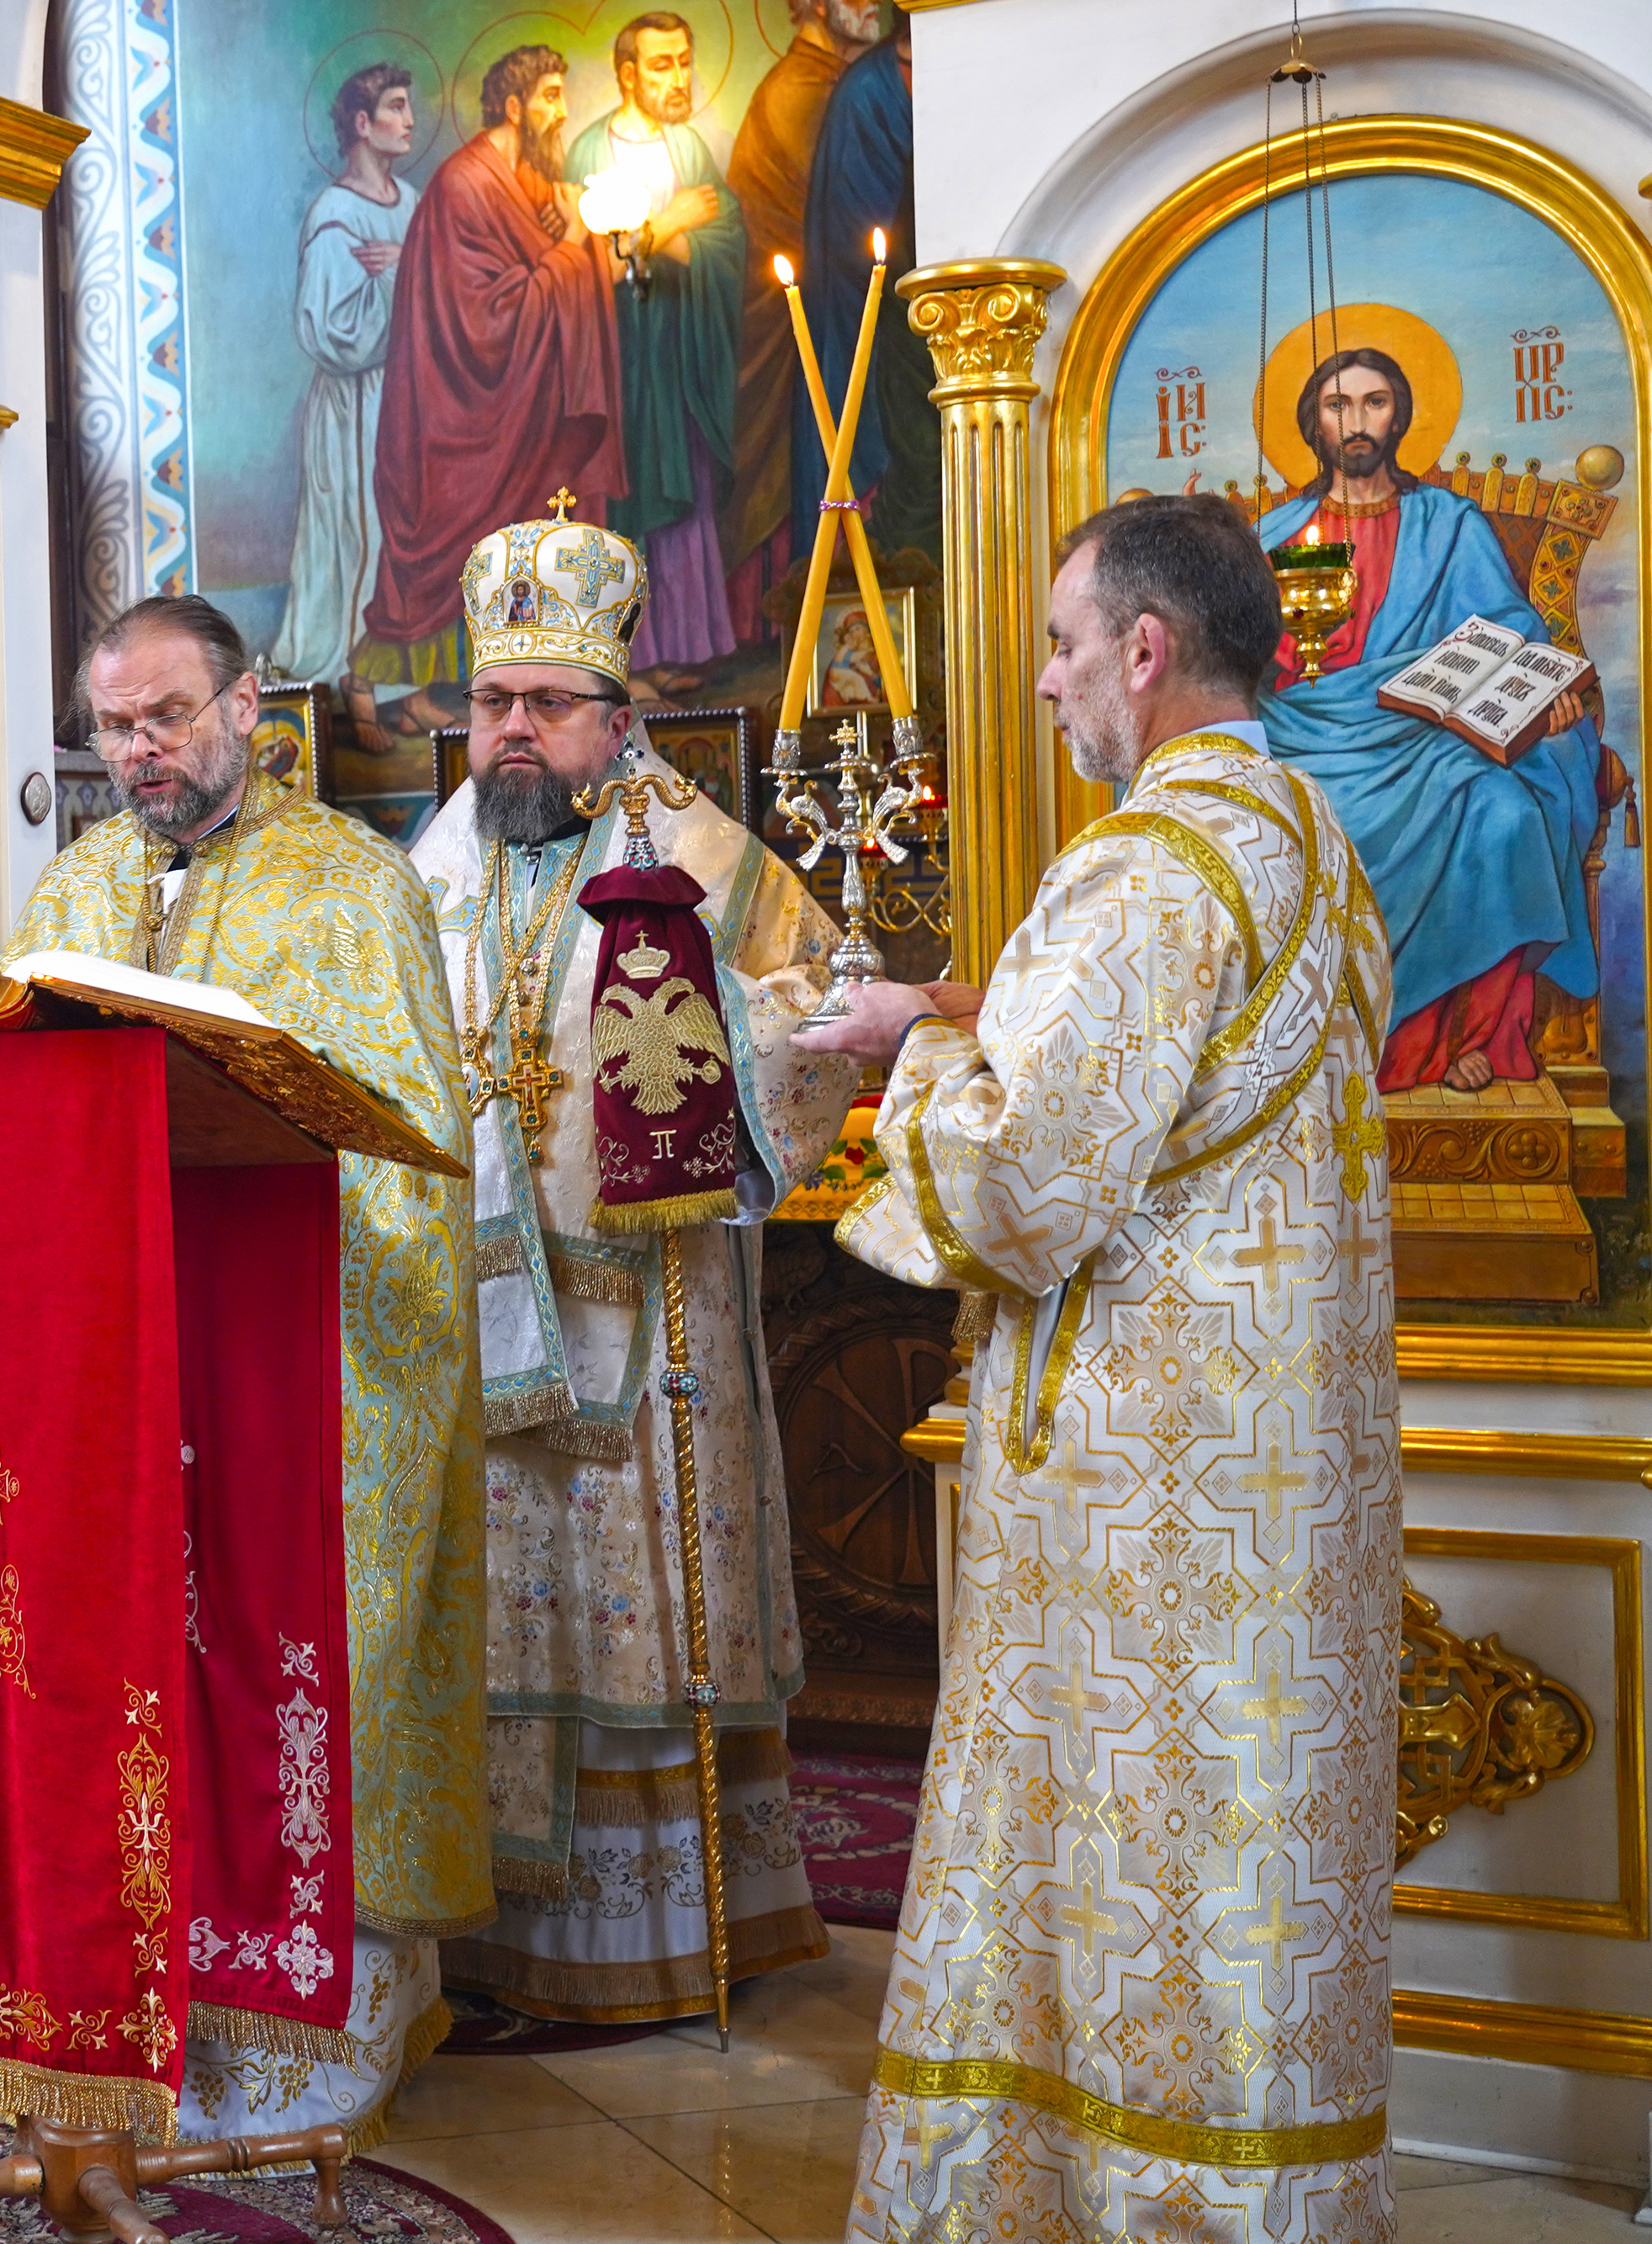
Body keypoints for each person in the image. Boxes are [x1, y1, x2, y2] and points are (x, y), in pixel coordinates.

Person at [801, 493, 1398, 2234]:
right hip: (1274, 1487)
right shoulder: (1307, 839)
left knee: (1122, 1877)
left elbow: (1022, 1186)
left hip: (1141, 1514)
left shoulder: (1142, 864)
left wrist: (899, 1080)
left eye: (1062, 648)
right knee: (1247, 1890)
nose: (1052, 686)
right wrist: (948, 1016)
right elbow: (1175, 1109)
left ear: (1142, 652)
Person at [3, 594, 484, 2144]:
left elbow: (417, 1157)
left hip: (300, 1376)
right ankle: (135, 2003)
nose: (138, 751)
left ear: (248, 707)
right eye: (113, 726)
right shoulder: (70, 885)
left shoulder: (352, 890)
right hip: (126, 1377)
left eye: (165, 719)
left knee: (292, 1681)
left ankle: (312, 2029)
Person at [411, 512, 857, 2021]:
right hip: (472, 1332)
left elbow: (827, 1018)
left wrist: (719, 1049)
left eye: (547, 704)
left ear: (620, 717)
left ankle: (642, 1945)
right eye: (492, 703)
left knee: (634, 1622)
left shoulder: (705, 856)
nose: (514, 732)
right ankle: (474, 1937)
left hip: (641, 1326)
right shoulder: (436, 863)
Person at [1256, 345, 1613, 1093]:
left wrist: (1541, 698)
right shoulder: (1275, 537)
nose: (1357, 421)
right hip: (1305, 734)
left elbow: (1511, 631)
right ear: (1313, 423)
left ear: (1401, 416)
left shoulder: (1448, 523)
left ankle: (1462, 1036)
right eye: (1338, 404)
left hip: (1438, 736)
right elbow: (1238, 654)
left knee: (1509, 814)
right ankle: (1318, 1039)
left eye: (1374, 401)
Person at [365, 45, 620, 697]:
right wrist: (571, 252)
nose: (563, 112)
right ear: (514, 106)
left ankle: (556, 680)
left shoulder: (534, 178)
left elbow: (556, 274)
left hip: (534, 417)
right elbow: (484, 319)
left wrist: (584, 245)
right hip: (469, 411)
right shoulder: (465, 184)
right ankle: (461, 690)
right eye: (551, 97)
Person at [563, 13, 745, 681]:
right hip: (615, 359)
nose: (678, 77)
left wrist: (677, 240)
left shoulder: (689, 147)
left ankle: (682, 648)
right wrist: (663, 228)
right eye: (661, 64)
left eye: (684, 61)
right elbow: (578, 260)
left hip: (678, 355)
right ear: (628, 74)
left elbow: (726, 237)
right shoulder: (588, 152)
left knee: (684, 490)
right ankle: (625, 657)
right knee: (623, 495)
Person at [267, 61, 417, 684]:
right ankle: (353, 676)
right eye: (397, 106)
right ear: (362, 122)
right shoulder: (334, 214)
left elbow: (440, 295)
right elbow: (333, 333)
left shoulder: (411, 203)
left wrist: (407, 271)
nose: (410, 120)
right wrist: (399, 286)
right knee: (357, 534)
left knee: (401, 534)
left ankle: (395, 674)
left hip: (406, 397)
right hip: (355, 404)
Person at [724, 0, 880, 603]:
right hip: (793, 324)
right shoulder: (798, 92)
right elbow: (824, 227)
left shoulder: (841, 82)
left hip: (832, 312)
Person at [794, 13, 935, 565]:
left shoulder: (979, 63)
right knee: (916, 461)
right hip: (883, 331)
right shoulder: (865, 97)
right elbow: (858, 246)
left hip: (949, 320)